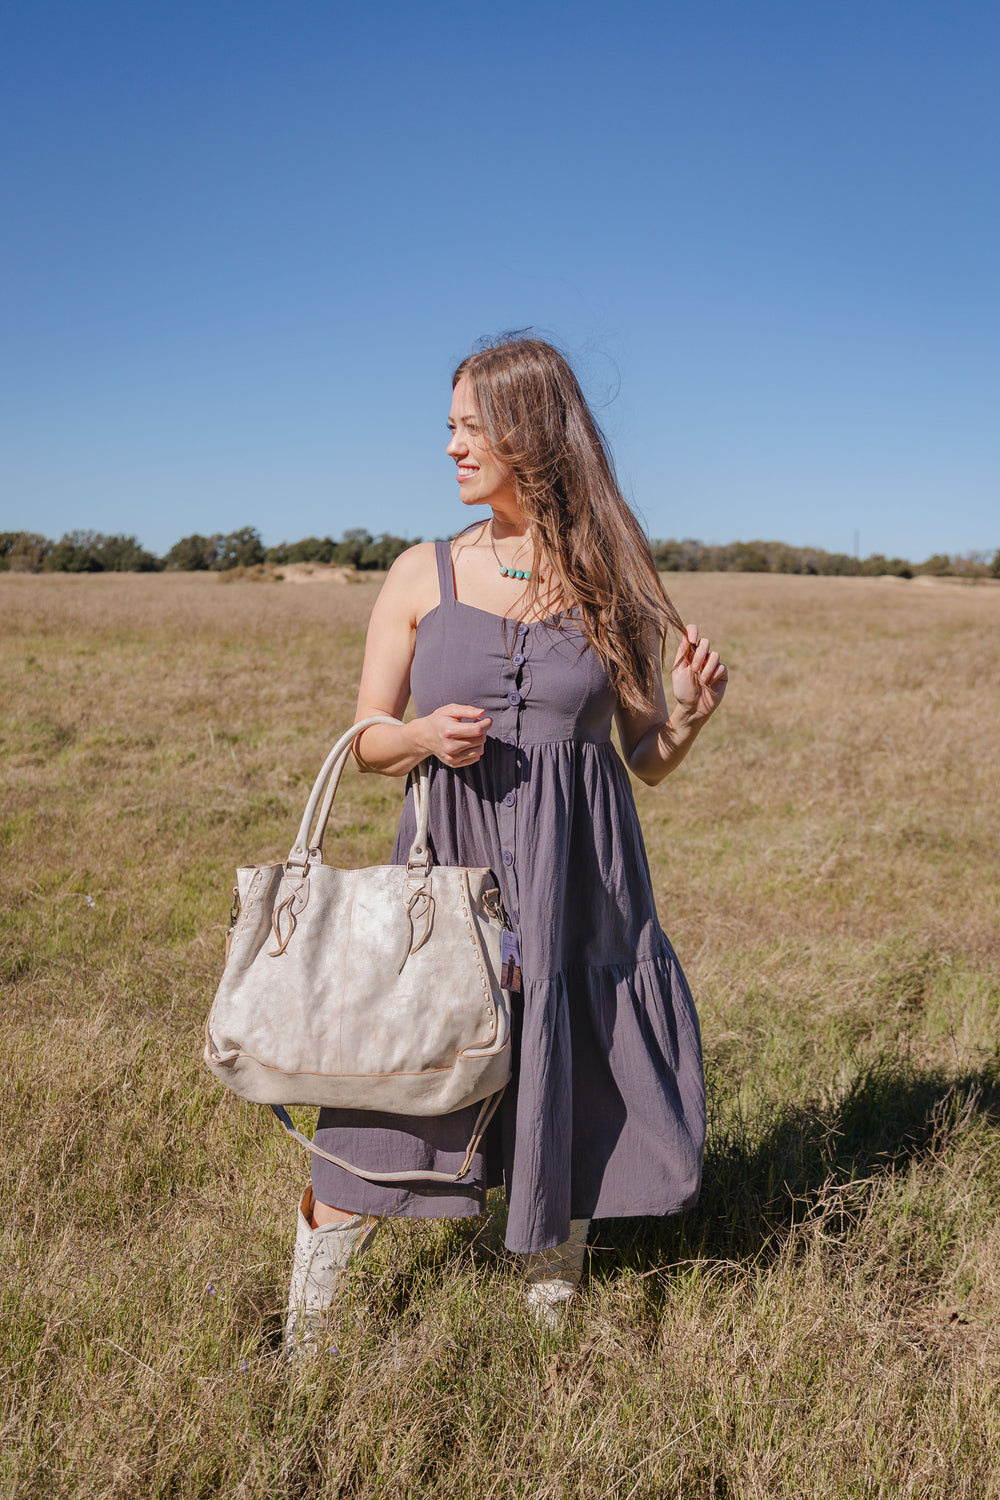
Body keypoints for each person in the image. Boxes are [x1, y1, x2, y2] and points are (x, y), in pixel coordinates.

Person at [285, 334, 727, 1346]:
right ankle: (312, 1319)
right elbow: (367, 742)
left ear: (530, 433)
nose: (449, 447)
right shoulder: (418, 572)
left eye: (468, 427)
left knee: (565, 1062)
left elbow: (644, 757)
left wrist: (692, 712)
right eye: (447, 427)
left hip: (581, 877)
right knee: (401, 1075)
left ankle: (550, 1288)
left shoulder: (613, 579)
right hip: (450, 875)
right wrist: (421, 737)